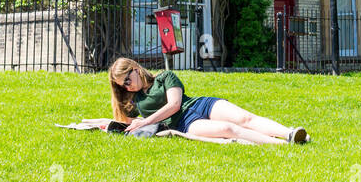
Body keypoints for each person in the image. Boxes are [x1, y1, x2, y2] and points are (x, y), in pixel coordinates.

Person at [107, 58, 309, 145]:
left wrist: (146, 120)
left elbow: (174, 104)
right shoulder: (136, 100)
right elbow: (125, 124)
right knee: (228, 130)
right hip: (185, 124)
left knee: (244, 118)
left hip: (198, 105)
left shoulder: (165, 77)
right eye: (122, 85)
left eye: (127, 79)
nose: (127, 86)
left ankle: (289, 133)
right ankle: (281, 145)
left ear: (135, 68)